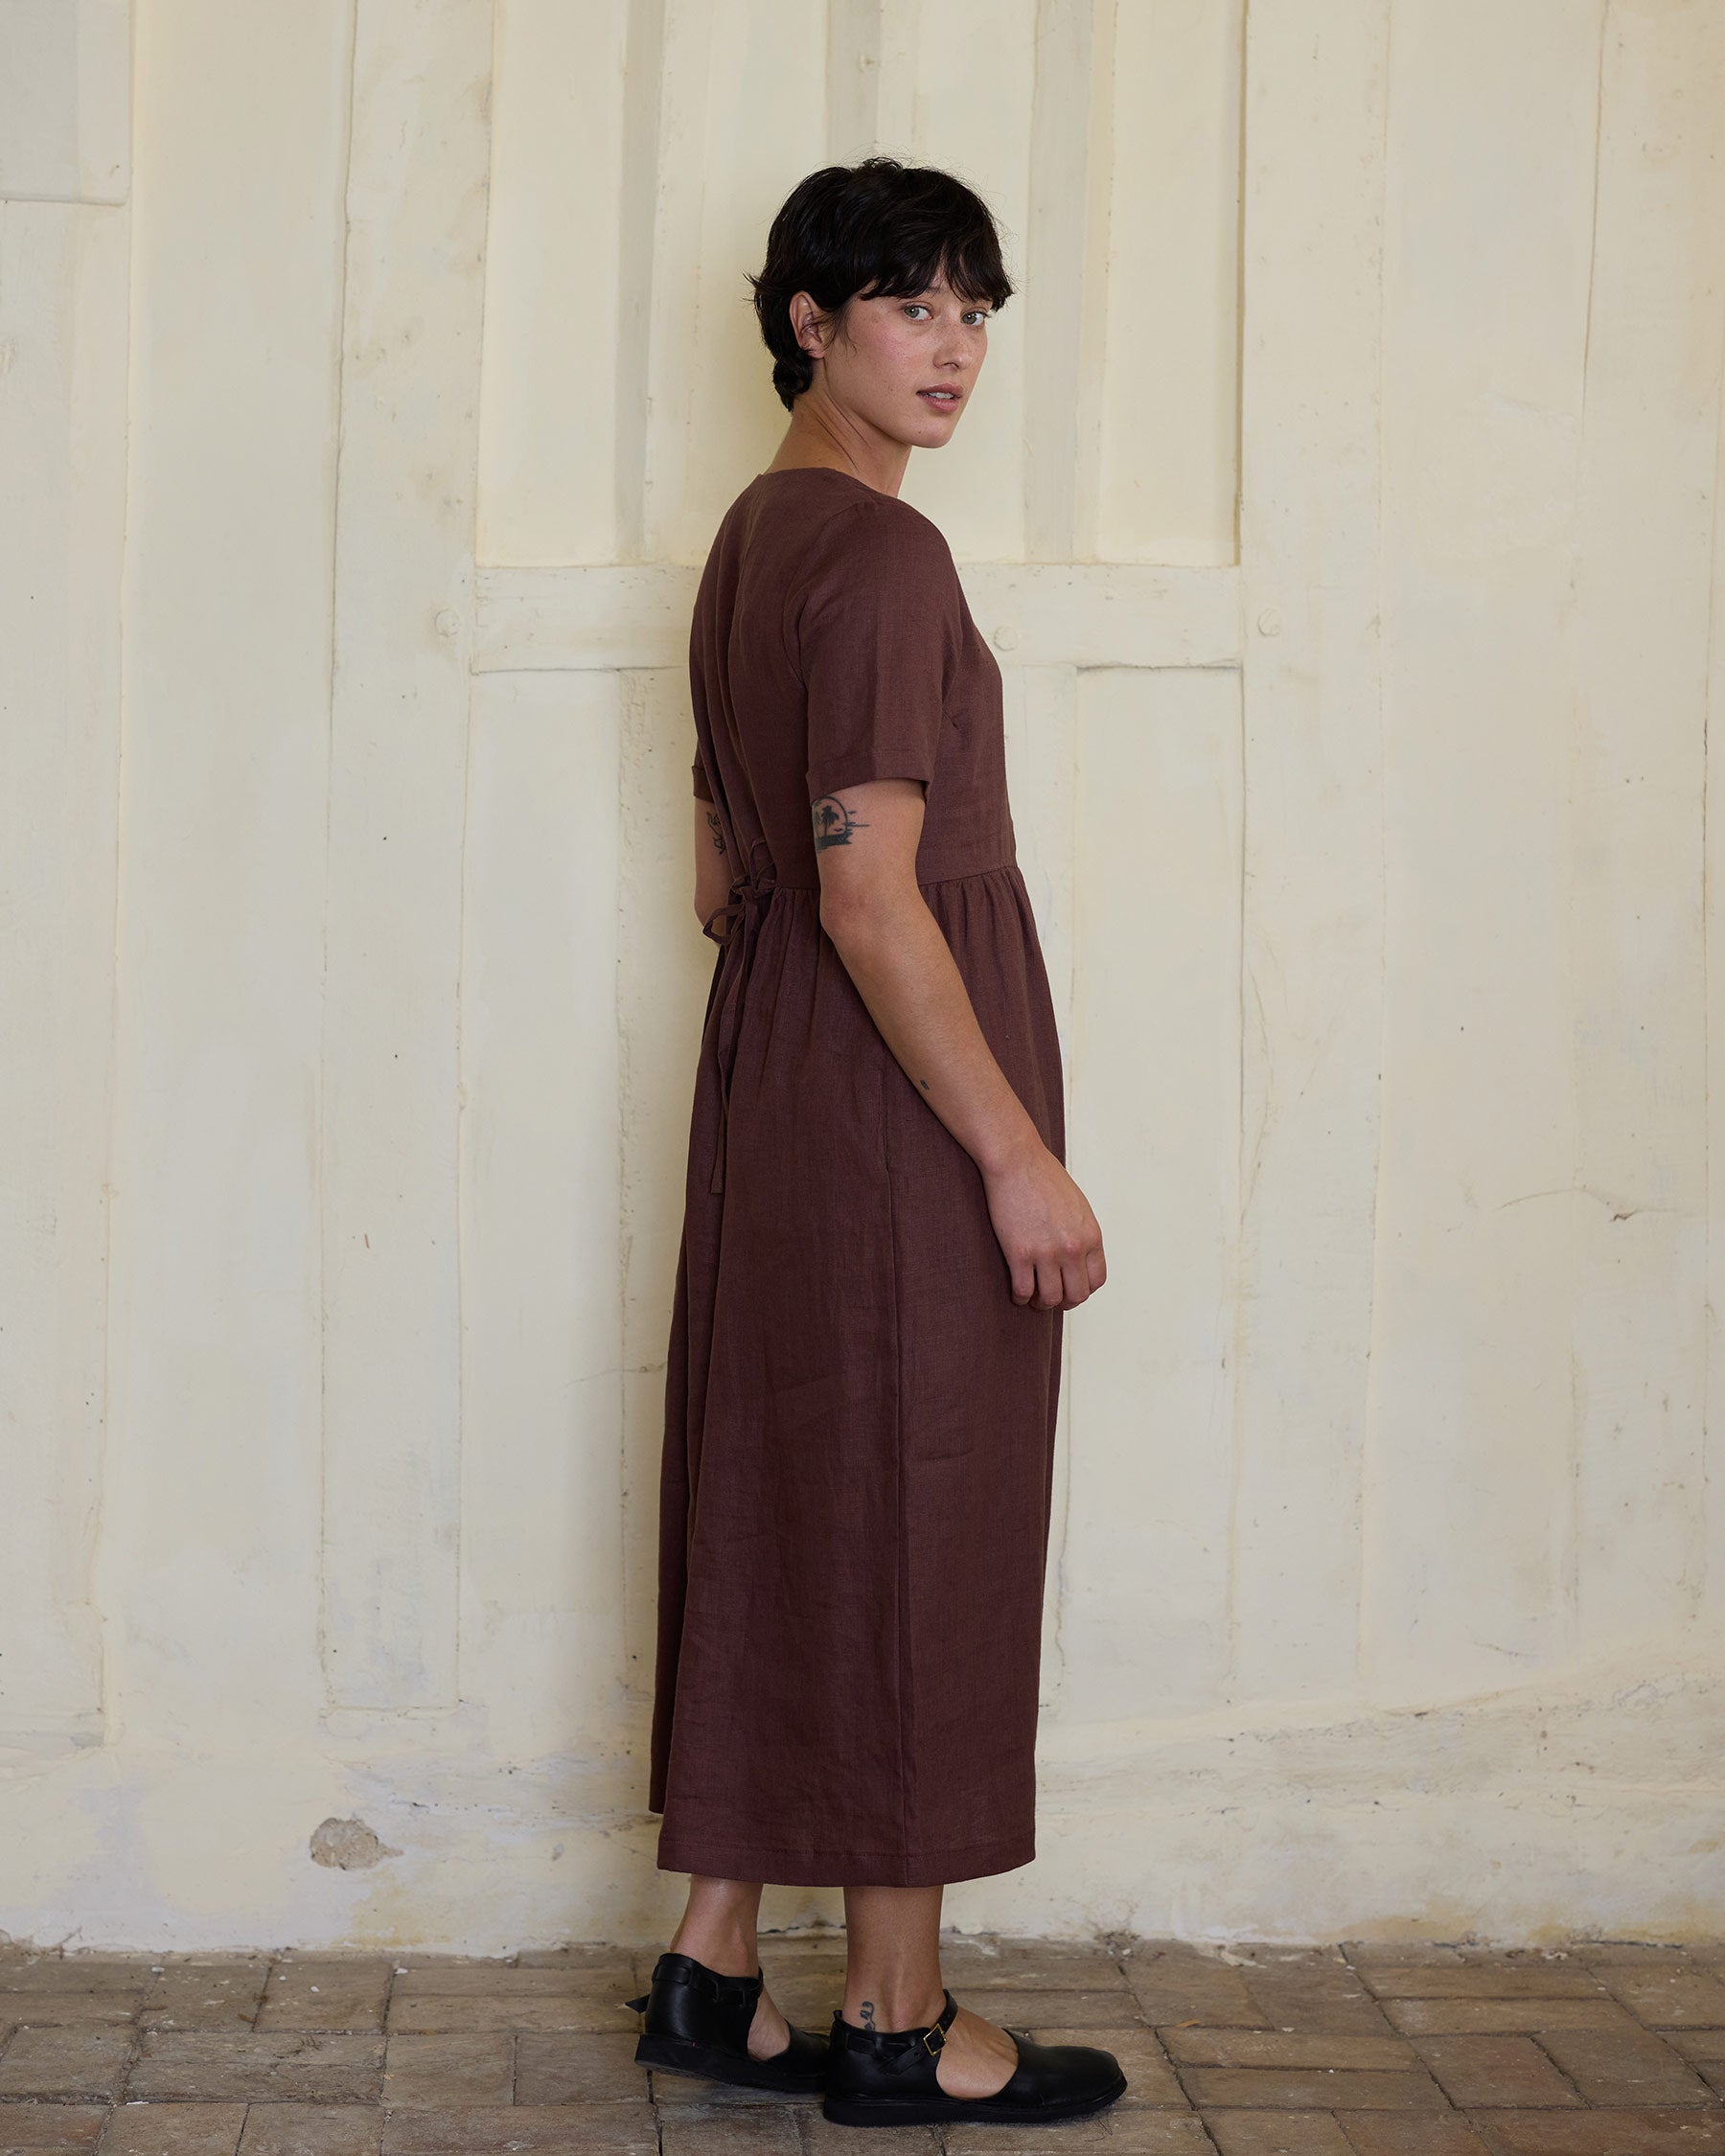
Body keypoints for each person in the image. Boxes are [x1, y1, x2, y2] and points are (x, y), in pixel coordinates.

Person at [626, 157, 1120, 2130]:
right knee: (922, 1512)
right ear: (810, 324)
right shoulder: (888, 562)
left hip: (775, 1092)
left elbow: (714, 878)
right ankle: (900, 2028)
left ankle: (712, 1969)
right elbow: (866, 894)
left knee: (788, 1494)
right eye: (912, 305)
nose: (956, 349)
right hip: (903, 1100)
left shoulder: (749, 543)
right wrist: (1012, 1151)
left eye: (977, 310)